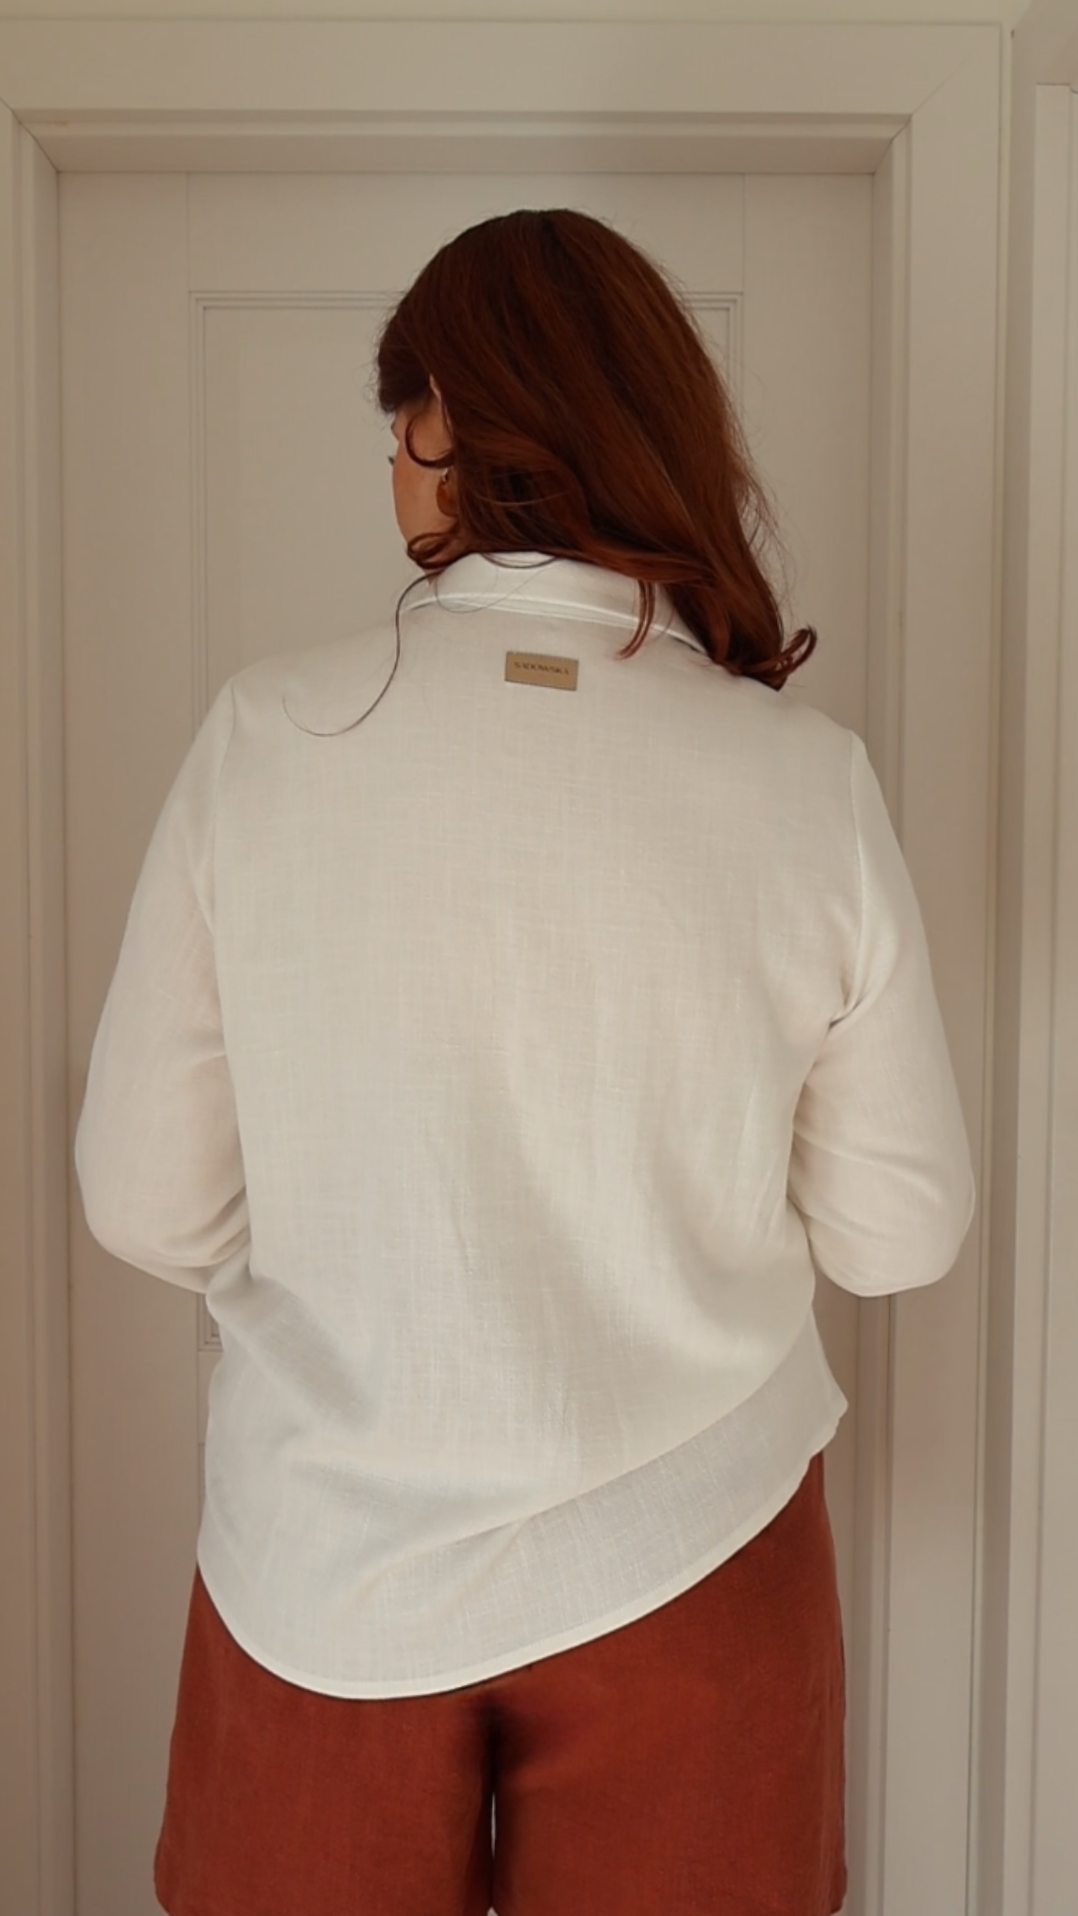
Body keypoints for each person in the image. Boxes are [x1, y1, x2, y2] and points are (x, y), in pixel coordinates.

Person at [75, 207, 975, 1916]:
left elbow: (143, 1199)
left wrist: (363, 1276)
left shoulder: (265, 738)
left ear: (438, 431)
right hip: (697, 1550)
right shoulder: (804, 780)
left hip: (324, 1560)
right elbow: (897, 1237)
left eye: (396, 423)